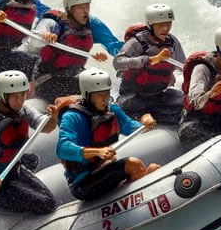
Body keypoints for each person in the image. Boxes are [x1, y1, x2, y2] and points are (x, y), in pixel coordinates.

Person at [57, 68, 159, 201]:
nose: (104, 99)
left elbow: (130, 127)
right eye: (99, 95)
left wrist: (145, 120)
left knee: (152, 168)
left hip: (102, 168)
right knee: (133, 164)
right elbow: (62, 148)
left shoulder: (112, 109)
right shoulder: (72, 117)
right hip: (82, 183)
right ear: (87, 94)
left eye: (106, 93)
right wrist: (97, 152)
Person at [0, 70, 58, 214]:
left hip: (12, 167)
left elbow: (46, 128)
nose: (19, 100)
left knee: (33, 164)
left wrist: (54, 116)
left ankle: (13, 189)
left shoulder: (23, 109)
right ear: (3, 95)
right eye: (14, 96)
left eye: (22, 95)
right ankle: (1, 198)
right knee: (46, 203)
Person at [31, 0, 123, 102]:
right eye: (80, 7)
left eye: (87, 6)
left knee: (100, 81)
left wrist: (127, 57)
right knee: (93, 85)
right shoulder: (54, 22)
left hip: (74, 75)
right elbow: (35, 39)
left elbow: (113, 44)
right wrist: (44, 36)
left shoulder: (91, 24)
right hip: (47, 80)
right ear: (69, 9)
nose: (86, 11)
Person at [113, 4, 186, 124]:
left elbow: (184, 67)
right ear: (150, 25)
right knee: (134, 105)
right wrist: (150, 60)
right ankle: (142, 119)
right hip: (133, 96)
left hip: (158, 94)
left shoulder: (172, 42)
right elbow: (118, 62)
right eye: (161, 25)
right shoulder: (136, 43)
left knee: (184, 100)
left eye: (168, 23)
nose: (166, 28)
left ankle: (170, 120)